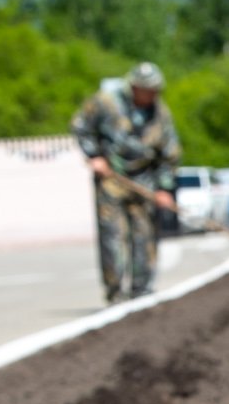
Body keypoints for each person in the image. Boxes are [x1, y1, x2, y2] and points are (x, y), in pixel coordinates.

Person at [70, 61, 181, 303]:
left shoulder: (161, 114)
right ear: (134, 87)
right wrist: (94, 155)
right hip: (112, 178)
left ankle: (141, 289)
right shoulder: (106, 103)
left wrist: (164, 187)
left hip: (145, 182)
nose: (151, 95)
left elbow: (169, 153)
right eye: (146, 90)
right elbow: (80, 126)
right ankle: (115, 292)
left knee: (145, 235)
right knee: (113, 235)